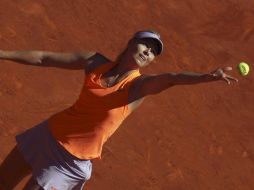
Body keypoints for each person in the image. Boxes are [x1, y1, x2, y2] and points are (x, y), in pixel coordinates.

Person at [0, 30, 238, 190]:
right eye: (146, 44)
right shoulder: (95, 62)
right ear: (130, 43)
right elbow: (44, 58)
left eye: (154, 52)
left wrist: (206, 77)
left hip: (69, 163)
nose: (148, 52)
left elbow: (172, 78)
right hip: (48, 135)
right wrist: (2, 54)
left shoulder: (138, 87)